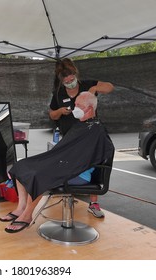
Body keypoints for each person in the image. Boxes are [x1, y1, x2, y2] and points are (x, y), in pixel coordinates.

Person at [0, 92, 114, 233]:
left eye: (78, 105)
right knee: (22, 166)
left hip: (79, 173)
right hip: (67, 167)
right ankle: (21, 208)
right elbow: (68, 151)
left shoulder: (97, 130)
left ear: (90, 108)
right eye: (75, 104)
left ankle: (27, 215)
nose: (74, 108)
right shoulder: (80, 126)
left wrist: (60, 163)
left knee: (39, 174)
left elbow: (97, 154)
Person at [48, 58, 114, 218]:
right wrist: (60, 112)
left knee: (92, 161)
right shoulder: (58, 93)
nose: (70, 83)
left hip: (88, 135)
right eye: (66, 81)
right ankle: (68, 191)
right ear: (61, 81)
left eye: (72, 79)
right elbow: (52, 114)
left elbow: (110, 87)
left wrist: (94, 88)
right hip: (70, 137)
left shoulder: (87, 85)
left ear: (75, 75)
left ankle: (93, 202)